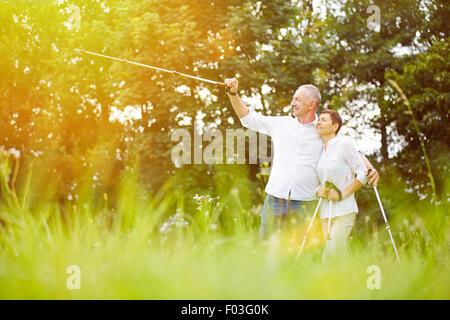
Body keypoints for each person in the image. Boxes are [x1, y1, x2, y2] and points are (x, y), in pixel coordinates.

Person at [224, 78, 379, 241]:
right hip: (274, 201)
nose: (292, 103)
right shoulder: (282, 124)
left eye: (297, 99)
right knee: (266, 252)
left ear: (311, 104)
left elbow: (348, 148)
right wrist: (233, 95)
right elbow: (248, 118)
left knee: (299, 259)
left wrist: (370, 168)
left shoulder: (322, 129)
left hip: (304, 204)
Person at [315, 110, 368, 261]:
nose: (318, 122)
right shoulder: (320, 150)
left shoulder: (344, 143)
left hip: (344, 210)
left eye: (323, 120)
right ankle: (352, 282)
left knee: (329, 255)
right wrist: (317, 191)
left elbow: (363, 173)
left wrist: (341, 194)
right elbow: (319, 182)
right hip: (325, 213)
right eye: (318, 119)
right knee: (340, 256)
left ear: (335, 126)